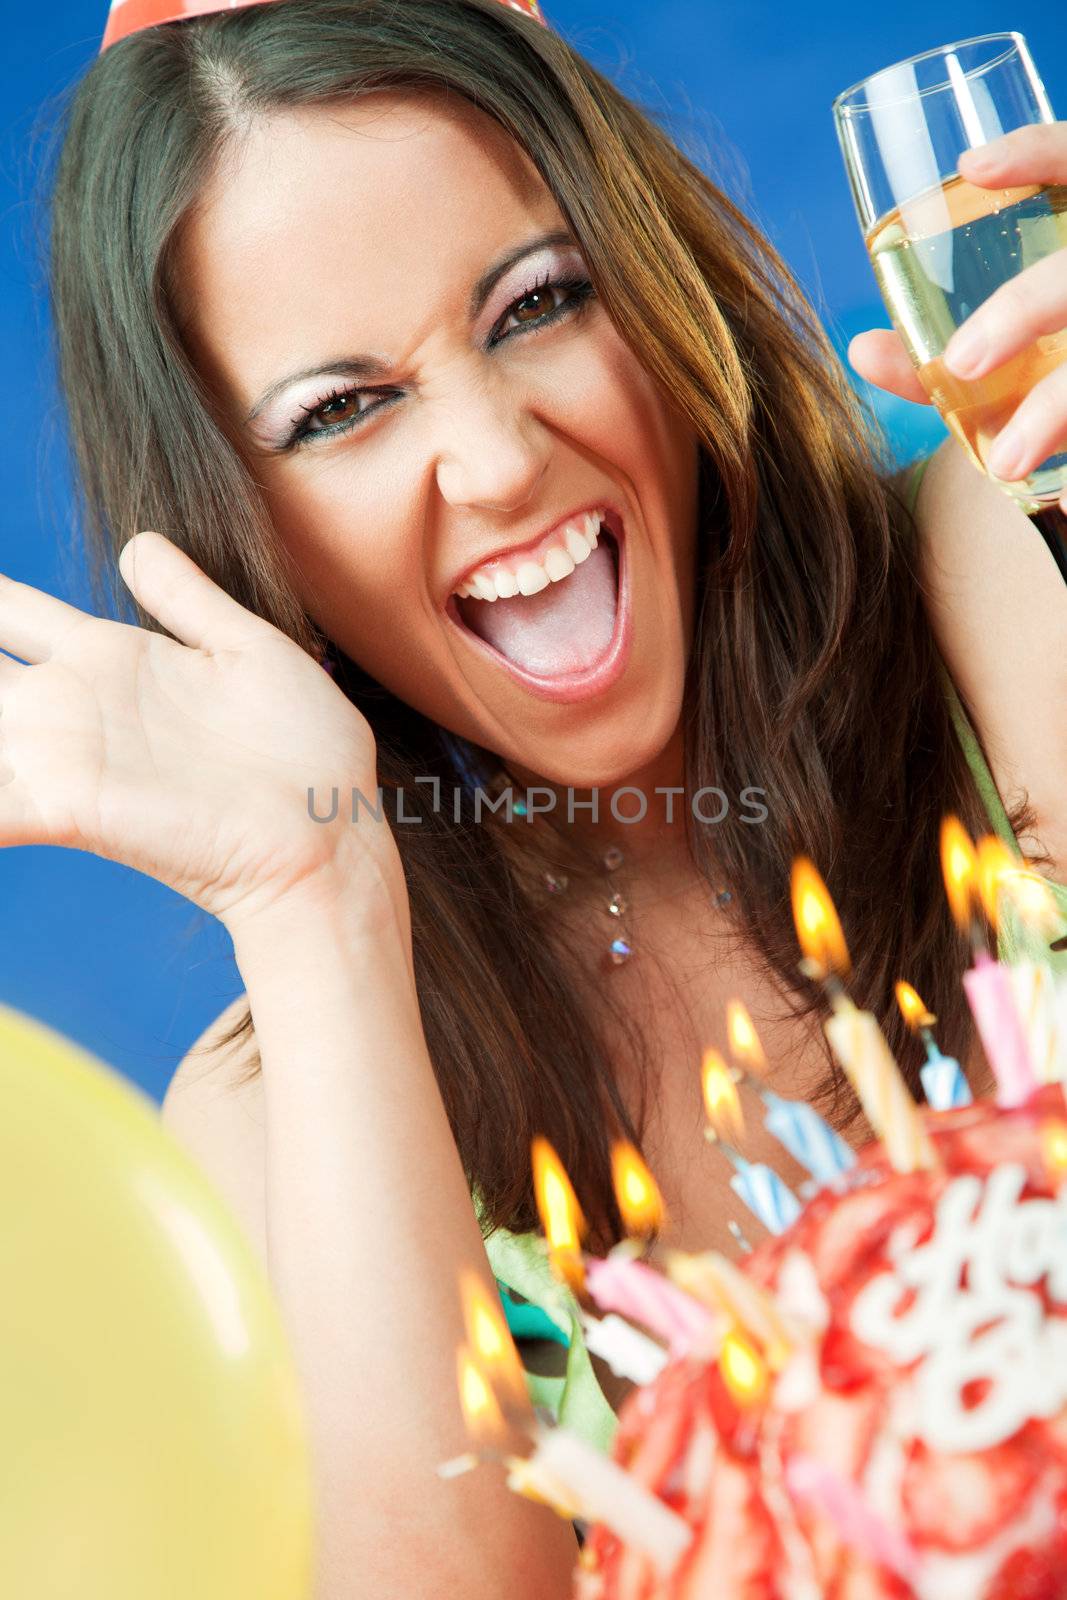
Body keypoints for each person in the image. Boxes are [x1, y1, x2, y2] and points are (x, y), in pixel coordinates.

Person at [13, 0, 1067, 1592]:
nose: (500, 461)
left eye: (538, 305)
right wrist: (318, 901)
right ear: (242, 532)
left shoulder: (979, 570)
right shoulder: (267, 1109)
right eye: (342, 409)